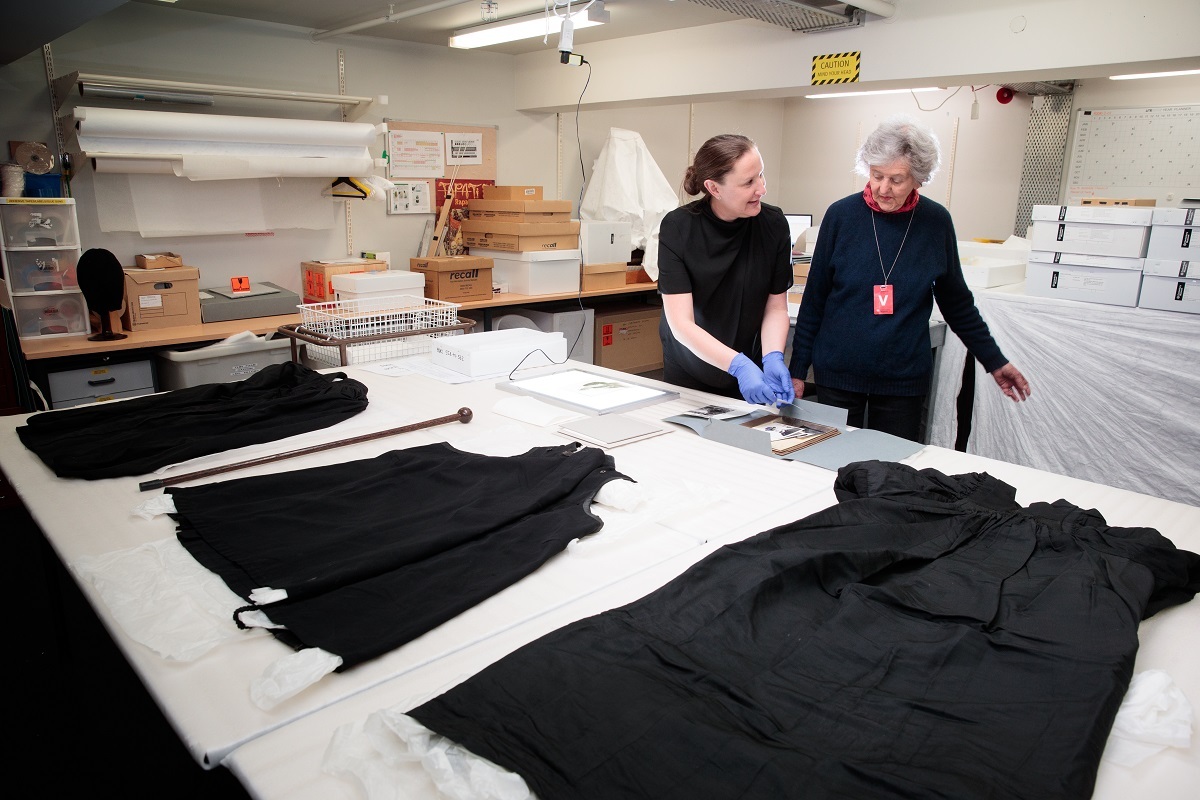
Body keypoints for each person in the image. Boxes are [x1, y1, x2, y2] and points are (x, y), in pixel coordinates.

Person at [789, 115, 1030, 441]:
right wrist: (798, 370)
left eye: (897, 179)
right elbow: (815, 299)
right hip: (839, 373)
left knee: (895, 472)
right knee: (832, 464)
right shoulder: (841, 216)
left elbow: (957, 303)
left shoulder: (935, 223)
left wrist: (994, 361)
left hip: (902, 379)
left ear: (918, 178)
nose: (883, 189)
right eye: (877, 175)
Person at [657, 134, 795, 406]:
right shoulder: (678, 228)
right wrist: (738, 365)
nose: (762, 189)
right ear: (714, 188)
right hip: (692, 366)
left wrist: (772, 357)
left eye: (761, 176)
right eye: (748, 182)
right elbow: (681, 324)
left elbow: (776, 307)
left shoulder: (774, 225)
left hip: (750, 368)